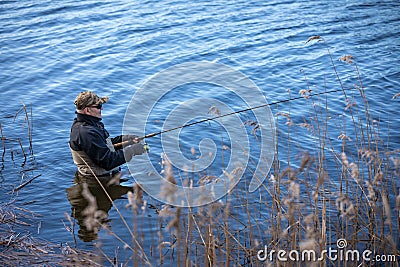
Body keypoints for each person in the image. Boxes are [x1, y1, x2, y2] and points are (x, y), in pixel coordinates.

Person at [69, 91, 147, 179]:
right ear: (87, 110)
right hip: (97, 181)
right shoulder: (85, 132)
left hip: (108, 176)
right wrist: (133, 150)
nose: (101, 109)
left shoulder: (91, 125)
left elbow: (103, 146)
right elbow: (108, 161)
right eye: (99, 106)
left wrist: (126, 139)